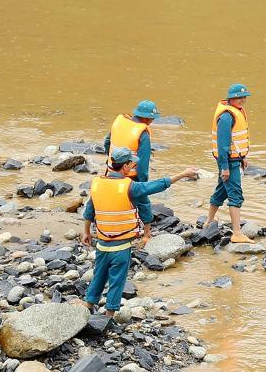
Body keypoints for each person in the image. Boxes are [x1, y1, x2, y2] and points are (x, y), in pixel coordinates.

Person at [81, 148, 198, 316]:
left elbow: (89, 212)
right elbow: (157, 185)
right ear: (125, 167)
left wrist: (86, 232)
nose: (133, 165)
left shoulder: (97, 184)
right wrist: (182, 174)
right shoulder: (130, 187)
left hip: (102, 244)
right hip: (121, 247)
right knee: (117, 280)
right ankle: (109, 316)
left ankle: (88, 304)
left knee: (99, 274)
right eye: (131, 163)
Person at [104, 100, 160, 241]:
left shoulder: (119, 122)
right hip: (130, 174)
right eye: (152, 118)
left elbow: (107, 142)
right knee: (143, 202)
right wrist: (143, 183)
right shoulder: (143, 133)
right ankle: (146, 233)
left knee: (112, 198)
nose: (152, 121)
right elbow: (142, 162)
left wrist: (111, 161)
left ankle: (110, 226)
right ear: (146, 118)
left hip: (112, 169)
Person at [206, 83, 254, 243]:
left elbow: (235, 140)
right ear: (231, 98)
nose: (242, 100)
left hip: (234, 159)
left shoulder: (235, 111)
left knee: (222, 190)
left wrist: (242, 157)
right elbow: (223, 145)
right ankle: (237, 233)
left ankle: (209, 221)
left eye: (244, 97)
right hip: (228, 161)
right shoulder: (227, 116)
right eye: (239, 97)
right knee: (235, 194)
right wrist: (225, 167)